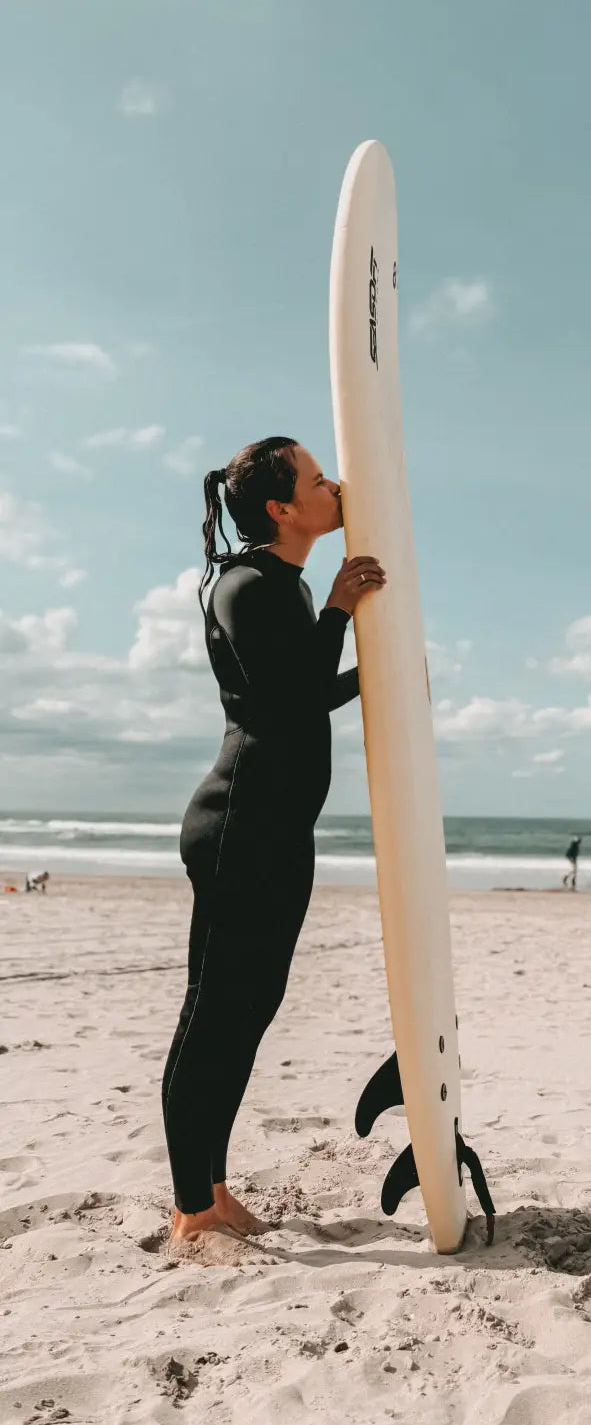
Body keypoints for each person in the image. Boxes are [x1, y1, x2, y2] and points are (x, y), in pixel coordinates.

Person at [161, 436, 385, 1252]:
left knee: (247, 1014)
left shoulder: (279, 584)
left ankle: (212, 1186)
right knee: (215, 1015)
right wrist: (338, 611)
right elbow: (288, 698)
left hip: (275, 828)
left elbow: (302, 687)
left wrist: (380, 669)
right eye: (320, 480)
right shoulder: (251, 584)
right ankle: (193, 1203)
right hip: (241, 830)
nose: (338, 486)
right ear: (280, 509)